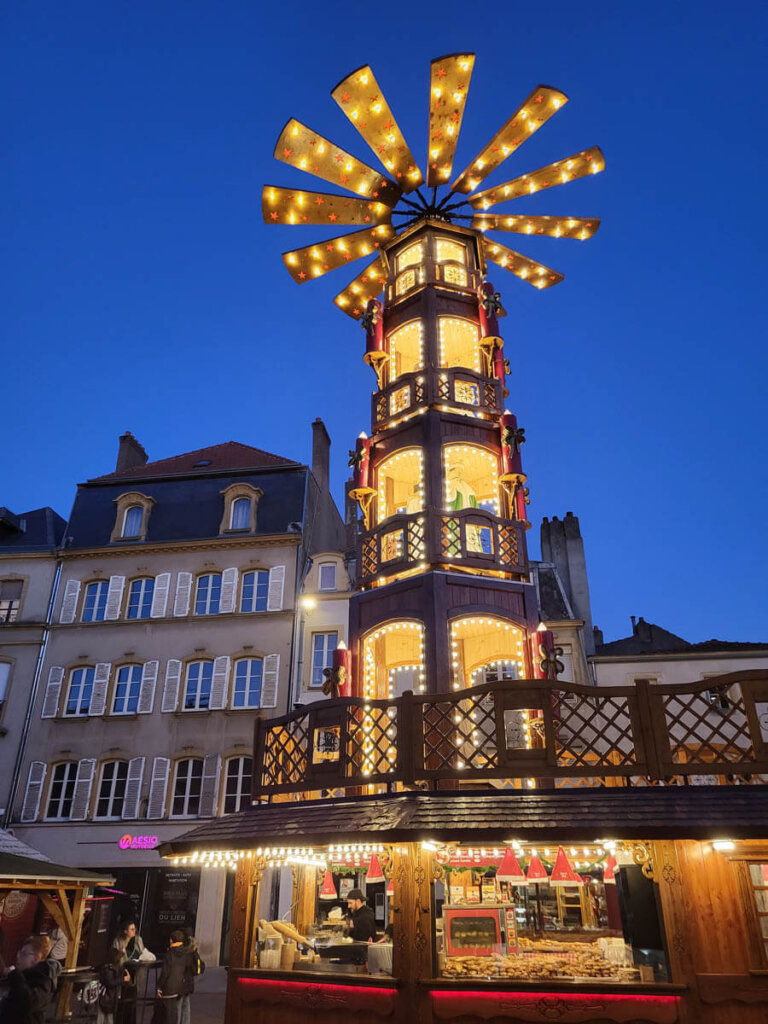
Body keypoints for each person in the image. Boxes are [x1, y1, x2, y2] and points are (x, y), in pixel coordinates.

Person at [0, 935, 54, 1024]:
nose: (18, 956)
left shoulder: (44, 980)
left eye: (24, 953)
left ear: (36, 959)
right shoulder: (24, 975)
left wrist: (14, 975)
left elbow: (29, 1002)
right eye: (19, 952)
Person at [156, 931, 196, 1024]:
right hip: (178, 987)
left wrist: (159, 986)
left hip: (168, 989)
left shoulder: (169, 954)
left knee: (165, 1015)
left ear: (171, 940)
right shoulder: (185, 953)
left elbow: (165, 973)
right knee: (175, 1012)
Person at [96, 949, 129, 1024]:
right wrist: (123, 979)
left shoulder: (108, 967)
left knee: (105, 1017)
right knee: (106, 1018)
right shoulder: (109, 969)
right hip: (106, 997)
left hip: (107, 997)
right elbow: (110, 983)